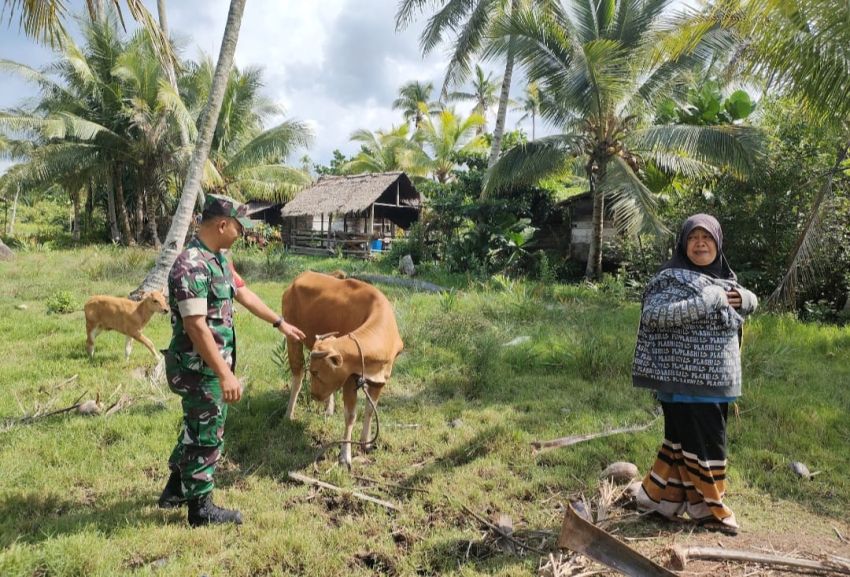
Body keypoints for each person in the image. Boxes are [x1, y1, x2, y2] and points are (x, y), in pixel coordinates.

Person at [157, 193, 306, 527]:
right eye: (239, 228)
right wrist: (225, 374)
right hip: (199, 367)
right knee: (207, 434)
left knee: (196, 427)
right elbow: (196, 327)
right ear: (223, 224)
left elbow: (243, 292)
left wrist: (280, 323)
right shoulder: (191, 265)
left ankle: (174, 490)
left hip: (211, 365)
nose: (242, 235)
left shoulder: (218, 258)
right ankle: (200, 509)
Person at [632, 214, 758, 535]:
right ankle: (712, 511)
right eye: (693, 238)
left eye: (707, 238)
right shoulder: (669, 279)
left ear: (718, 244)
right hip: (681, 381)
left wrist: (746, 299)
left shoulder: (726, 280)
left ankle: (658, 500)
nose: (700, 243)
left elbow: (745, 304)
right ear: (683, 243)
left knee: (683, 443)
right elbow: (654, 316)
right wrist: (706, 301)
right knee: (703, 445)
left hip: (717, 381)